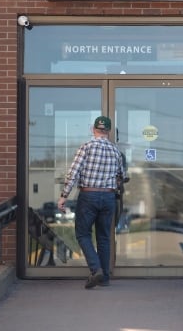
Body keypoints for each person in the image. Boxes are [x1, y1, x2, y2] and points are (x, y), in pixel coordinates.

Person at [58, 115, 127, 289]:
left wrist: (64, 195)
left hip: (89, 195)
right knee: (104, 237)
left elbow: (73, 173)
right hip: (108, 197)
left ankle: (96, 269)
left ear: (93, 129)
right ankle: (104, 278)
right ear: (109, 131)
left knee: (82, 234)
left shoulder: (86, 148)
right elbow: (122, 176)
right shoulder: (115, 151)